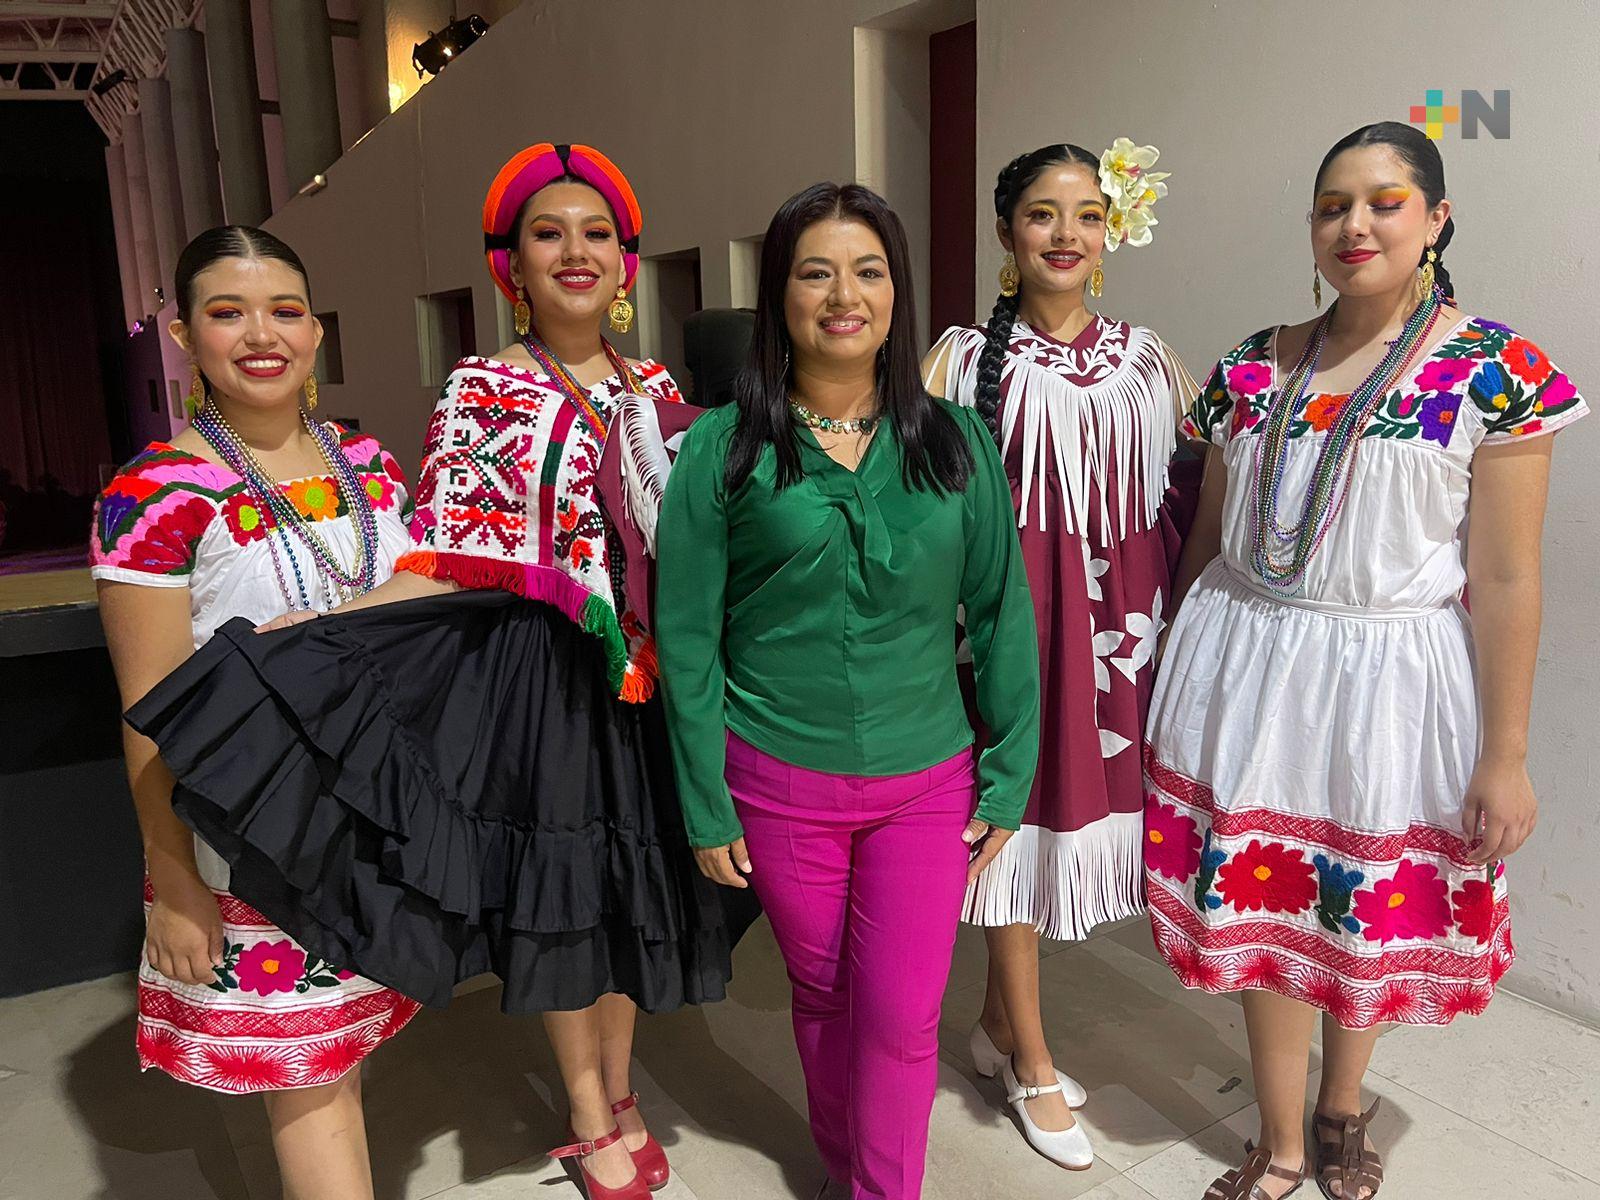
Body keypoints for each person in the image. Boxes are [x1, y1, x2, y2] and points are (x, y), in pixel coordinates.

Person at [128, 144, 752, 1200]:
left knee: (631, 892)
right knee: (566, 903)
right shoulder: (484, 388)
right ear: (512, 265)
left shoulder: (656, 387)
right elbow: (442, 554)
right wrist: (319, 631)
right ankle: (588, 1112)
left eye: (596, 234)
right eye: (548, 234)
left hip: (647, 686)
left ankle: (622, 1084)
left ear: (625, 263)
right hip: (541, 685)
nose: (574, 252)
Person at [1144, 122, 1587, 1200]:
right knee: (1263, 902)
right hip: (1243, 661)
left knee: (1357, 907)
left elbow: (1507, 579)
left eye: (1385, 203)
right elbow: (1210, 534)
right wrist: (1173, 667)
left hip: (1393, 677)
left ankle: (1341, 1108)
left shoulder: (1497, 372)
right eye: (1332, 206)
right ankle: (1281, 1136)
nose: (1355, 225)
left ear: (1436, 219)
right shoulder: (1253, 365)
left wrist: (1506, 755)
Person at [656, 182, 1040, 1200]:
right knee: (822, 994)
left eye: (867, 271)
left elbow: (1002, 612)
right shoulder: (723, 446)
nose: (843, 296)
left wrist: (1010, 773)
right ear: (778, 294)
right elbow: (686, 639)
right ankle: (846, 1171)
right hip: (777, 776)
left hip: (927, 778)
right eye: (815, 272)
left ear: (895, 290)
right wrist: (704, 800)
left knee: (904, 1017)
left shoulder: (954, 441)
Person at [92, 225, 420, 1200]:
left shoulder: (369, 462)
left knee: (341, 1058)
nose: (261, 335)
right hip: (253, 832)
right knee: (309, 1080)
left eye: (284, 311)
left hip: (379, 815)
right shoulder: (155, 495)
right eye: (227, 313)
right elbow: (150, 709)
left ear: (316, 330)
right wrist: (173, 876)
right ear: (186, 336)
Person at [923, 139, 1192, 1169]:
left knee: (1068, 820)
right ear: (1007, 232)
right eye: (1042, 213)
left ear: (1112, 230)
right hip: (1015, 627)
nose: (1065, 234)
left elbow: (1189, 492)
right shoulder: (959, 361)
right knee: (1014, 826)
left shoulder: (1150, 360)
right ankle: (1032, 1063)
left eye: (1087, 215)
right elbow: (925, 508)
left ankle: (997, 1030)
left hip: (1123, 629)